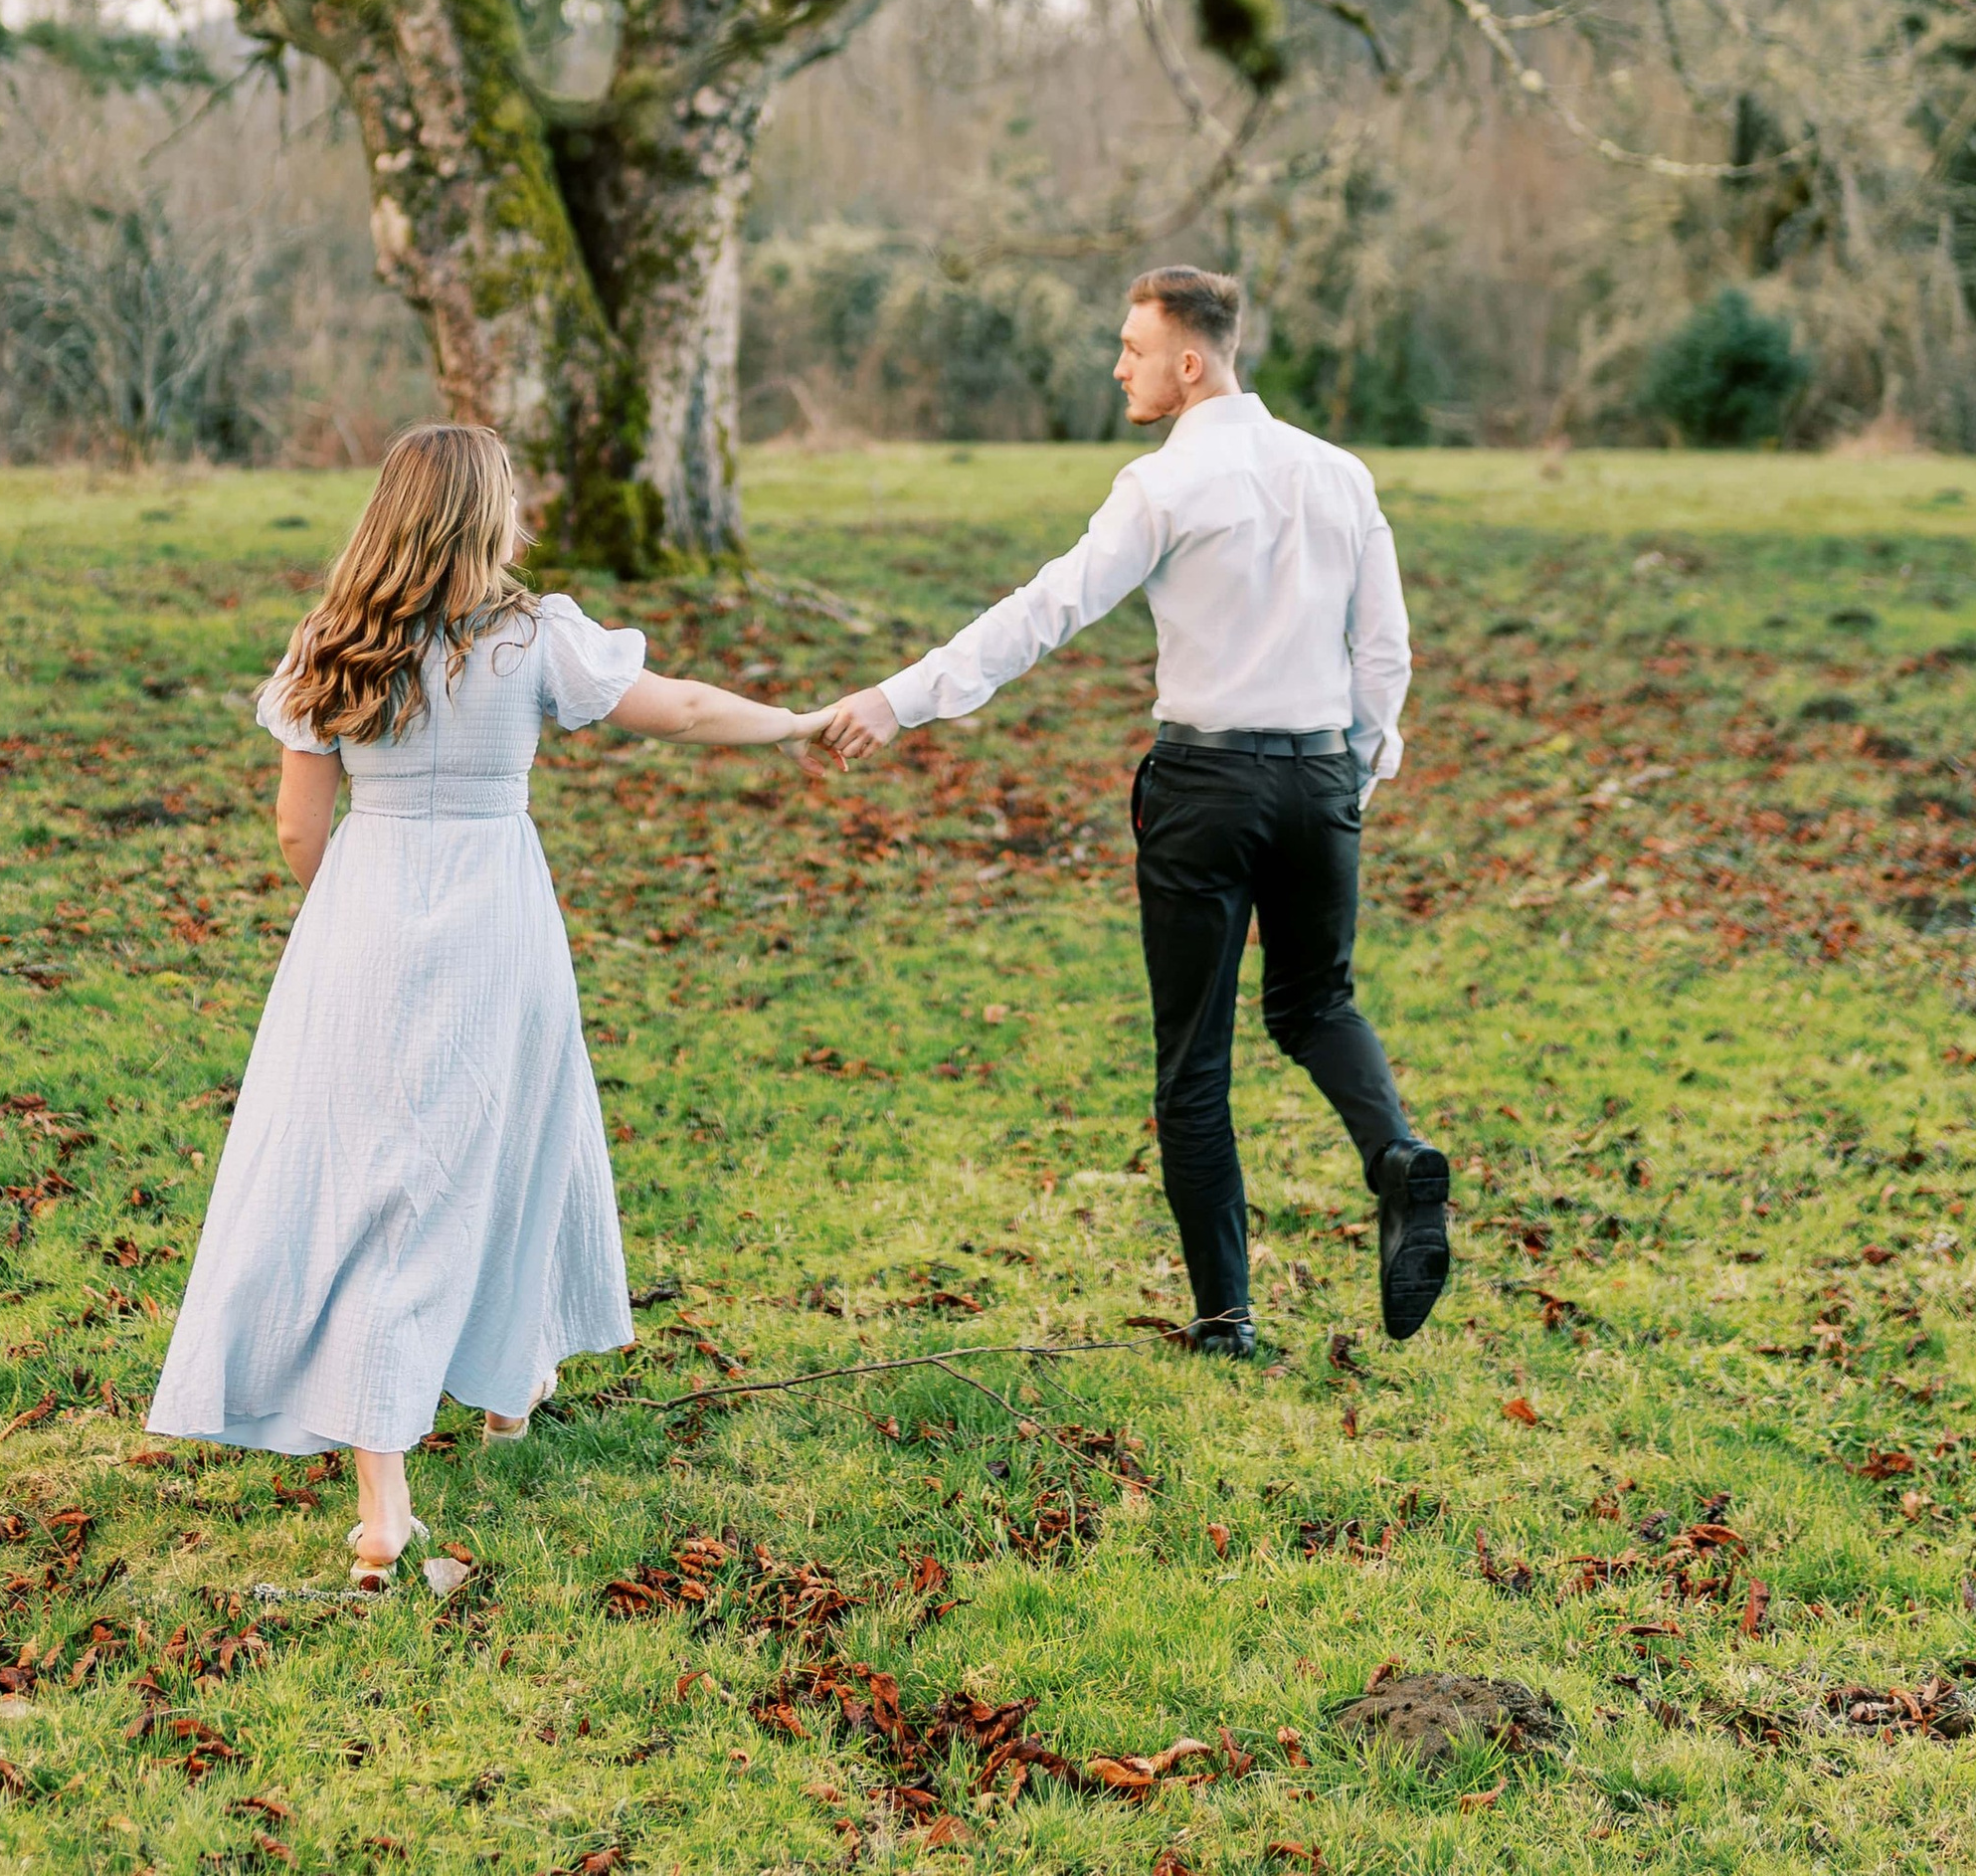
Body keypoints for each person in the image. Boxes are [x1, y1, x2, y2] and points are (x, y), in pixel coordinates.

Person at [147, 422, 827, 1588]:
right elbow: (687, 710)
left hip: (361, 922)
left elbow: (297, 831)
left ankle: (390, 1497)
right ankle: (499, 1395)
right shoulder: (533, 641)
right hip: (495, 919)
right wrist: (804, 724)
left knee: (374, 1180)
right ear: (489, 516)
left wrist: (354, 909)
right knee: (506, 1145)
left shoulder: (333, 645)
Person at [818, 267, 1447, 1359]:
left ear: (1189, 361)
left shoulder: (1162, 485)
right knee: (1314, 1006)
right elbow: (1383, 646)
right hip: (1318, 778)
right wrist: (1355, 767)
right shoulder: (1340, 475)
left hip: (1206, 788)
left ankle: (1225, 1320)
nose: (1118, 367)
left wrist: (899, 699)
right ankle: (1393, 1154)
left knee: (1193, 1059)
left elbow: (1045, 611)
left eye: (1132, 348)